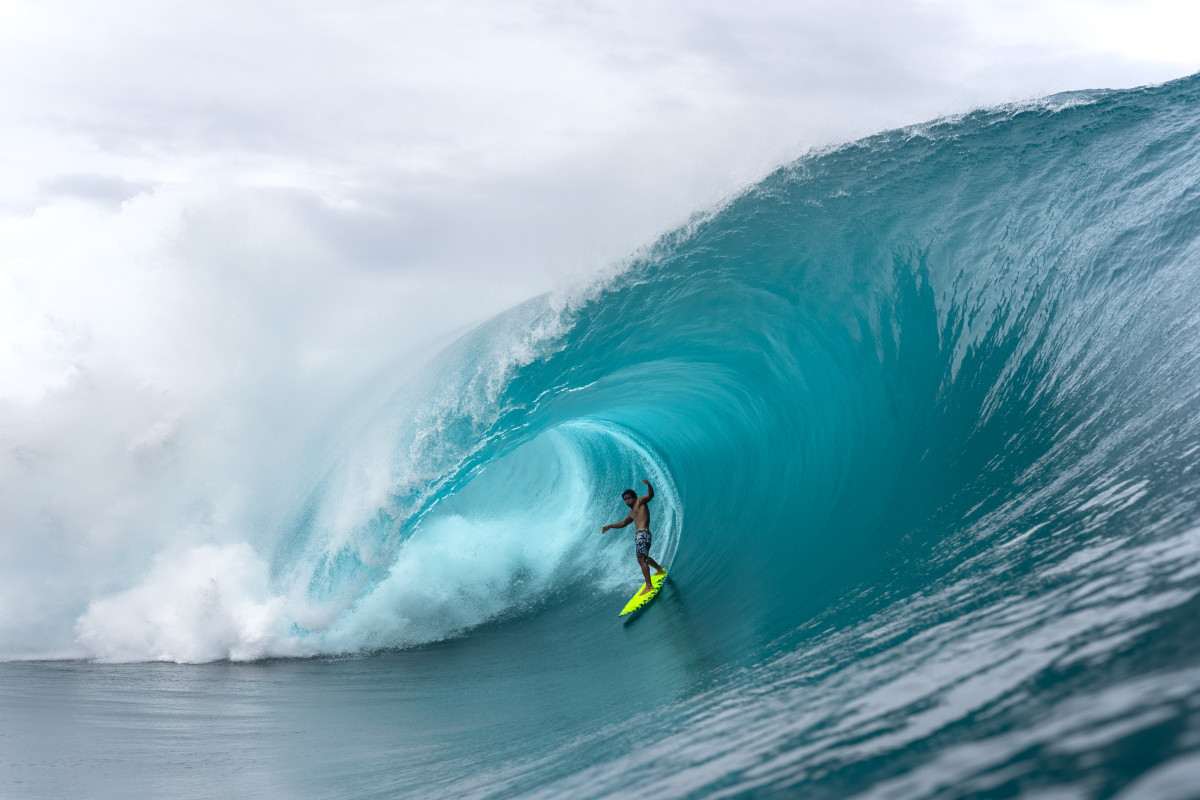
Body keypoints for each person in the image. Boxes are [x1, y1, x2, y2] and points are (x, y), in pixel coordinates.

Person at [601, 479, 666, 595]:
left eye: (629, 498)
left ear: (634, 497)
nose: (627, 501)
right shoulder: (631, 513)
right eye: (625, 499)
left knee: (641, 559)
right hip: (639, 536)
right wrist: (609, 526)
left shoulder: (640, 502)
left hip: (643, 534)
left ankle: (649, 586)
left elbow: (651, 495)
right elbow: (623, 523)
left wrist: (649, 485)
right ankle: (660, 570)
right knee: (644, 558)